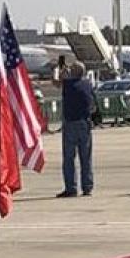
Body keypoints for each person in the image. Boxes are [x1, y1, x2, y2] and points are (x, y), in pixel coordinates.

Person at [57, 62, 96, 198]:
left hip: (70, 123)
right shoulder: (87, 84)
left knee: (69, 157)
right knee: (86, 157)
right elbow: (93, 105)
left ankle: (71, 187)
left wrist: (61, 72)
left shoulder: (68, 85)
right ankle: (87, 187)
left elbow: (57, 82)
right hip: (84, 122)